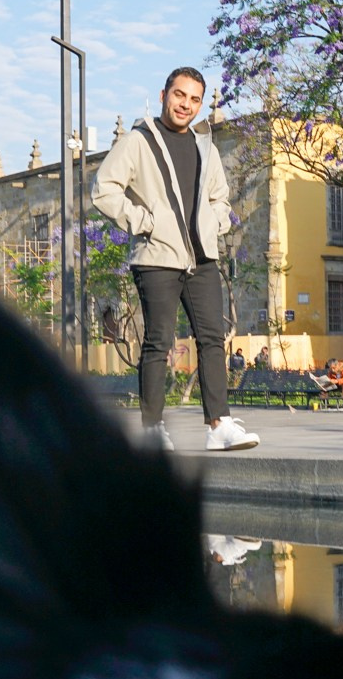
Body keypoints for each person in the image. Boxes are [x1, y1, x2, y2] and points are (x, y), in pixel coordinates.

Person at [93, 65, 260, 452]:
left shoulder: (205, 146)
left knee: (213, 339)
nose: (186, 104)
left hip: (201, 258)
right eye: (179, 95)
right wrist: (144, 221)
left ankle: (218, 426)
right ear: (165, 93)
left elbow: (221, 198)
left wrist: (214, 222)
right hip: (157, 257)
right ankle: (153, 430)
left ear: (201, 105)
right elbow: (104, 189)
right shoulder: (138, 141)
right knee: (158, 342)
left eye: (194, 99)